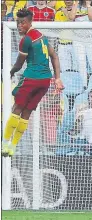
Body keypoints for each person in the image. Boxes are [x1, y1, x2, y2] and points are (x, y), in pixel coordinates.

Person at [2, 8, 64, 157]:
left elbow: (18, 64)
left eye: (22, 23)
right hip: (45, 82)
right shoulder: (42, 36)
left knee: (16, 108)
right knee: (26, 113)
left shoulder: (26, 40)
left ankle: (4, 143)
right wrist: (57, 78)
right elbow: (54, 56)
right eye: (18, 22)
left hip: (32, 78)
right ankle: (13, 146)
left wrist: (9, 73)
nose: (19, 26)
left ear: (30, 22)